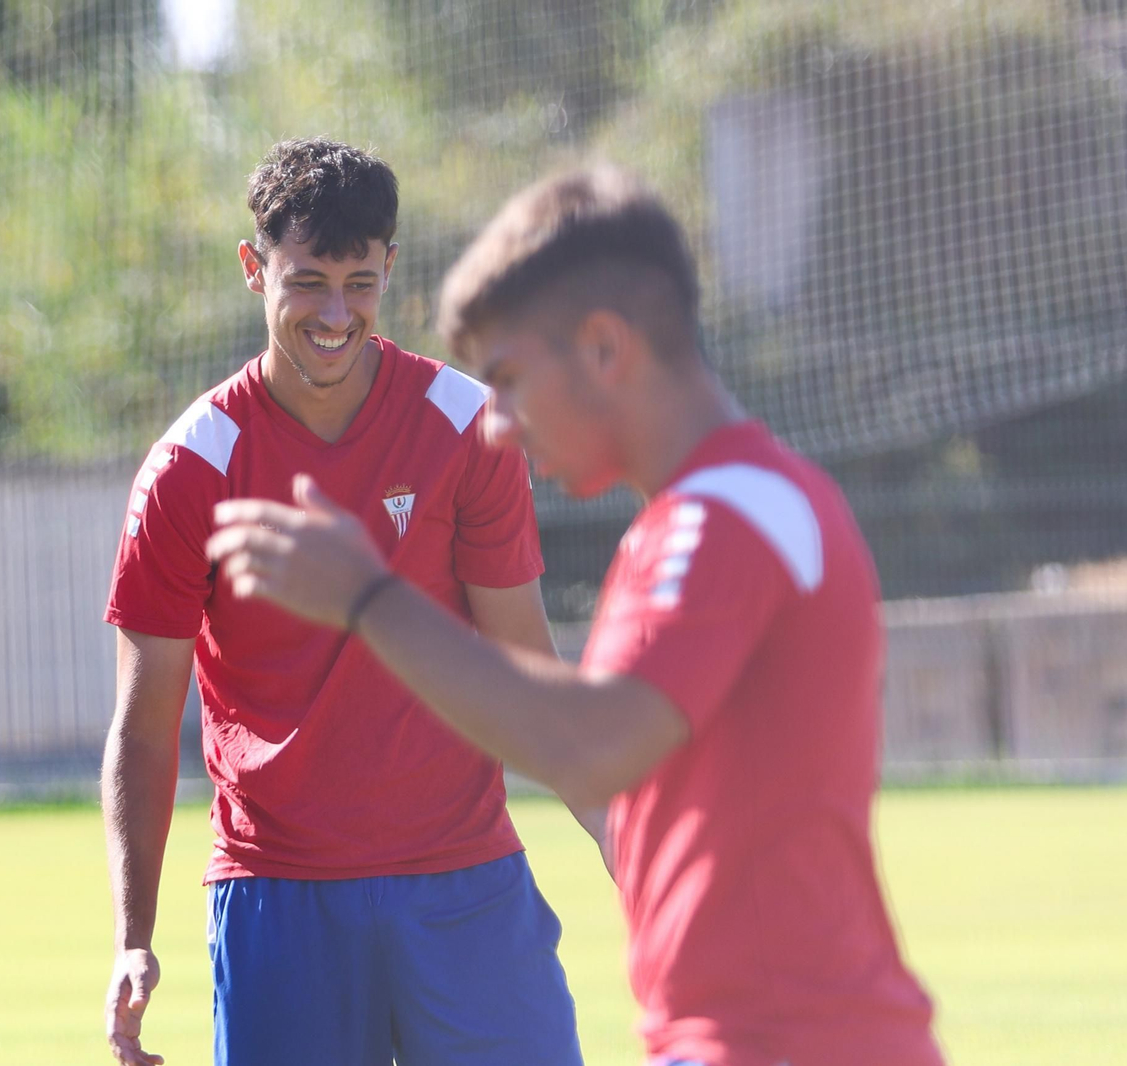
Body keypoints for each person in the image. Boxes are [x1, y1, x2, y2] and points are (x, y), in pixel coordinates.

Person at [206, 166, 946, 1066]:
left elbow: (593, 744)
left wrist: (369, 598)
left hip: (786, 1043)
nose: (498, 424)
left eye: (510, 378)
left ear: (603, 348)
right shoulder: (717, 511)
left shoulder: (727, 517)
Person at [101, 137, 584, 1066]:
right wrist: (134, 935)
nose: (335, 314)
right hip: (280, 901)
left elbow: (528, 672)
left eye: (359, 284)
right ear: (255, 270)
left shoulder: (466, 427)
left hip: (465, 884)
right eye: (308, 282)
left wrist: (625, 839)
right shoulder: (188, 469)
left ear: (390, 269)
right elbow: (145, 723)